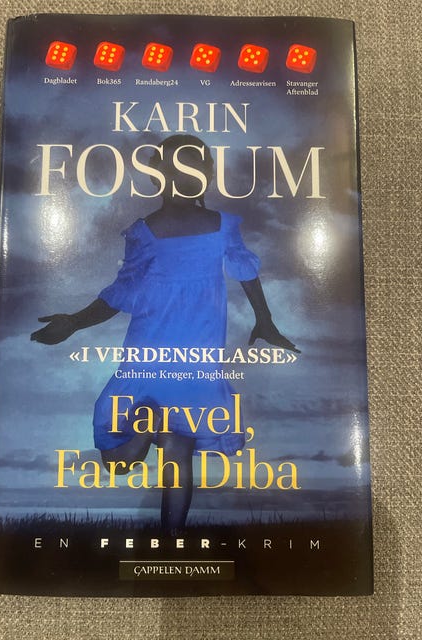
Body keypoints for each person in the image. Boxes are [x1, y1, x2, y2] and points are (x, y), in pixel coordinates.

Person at [31, 134, 299, 533]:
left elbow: (119, 294)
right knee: (179, 451)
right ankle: (173, 538)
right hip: (197, 358)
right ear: (205, 175)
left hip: (149, 351)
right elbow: (246, 274)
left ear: (159, 176)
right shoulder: (222, 227)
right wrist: (265, 321)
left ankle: (145, 430)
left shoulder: (146, 231)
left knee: (117, 461)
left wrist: (74, 321)